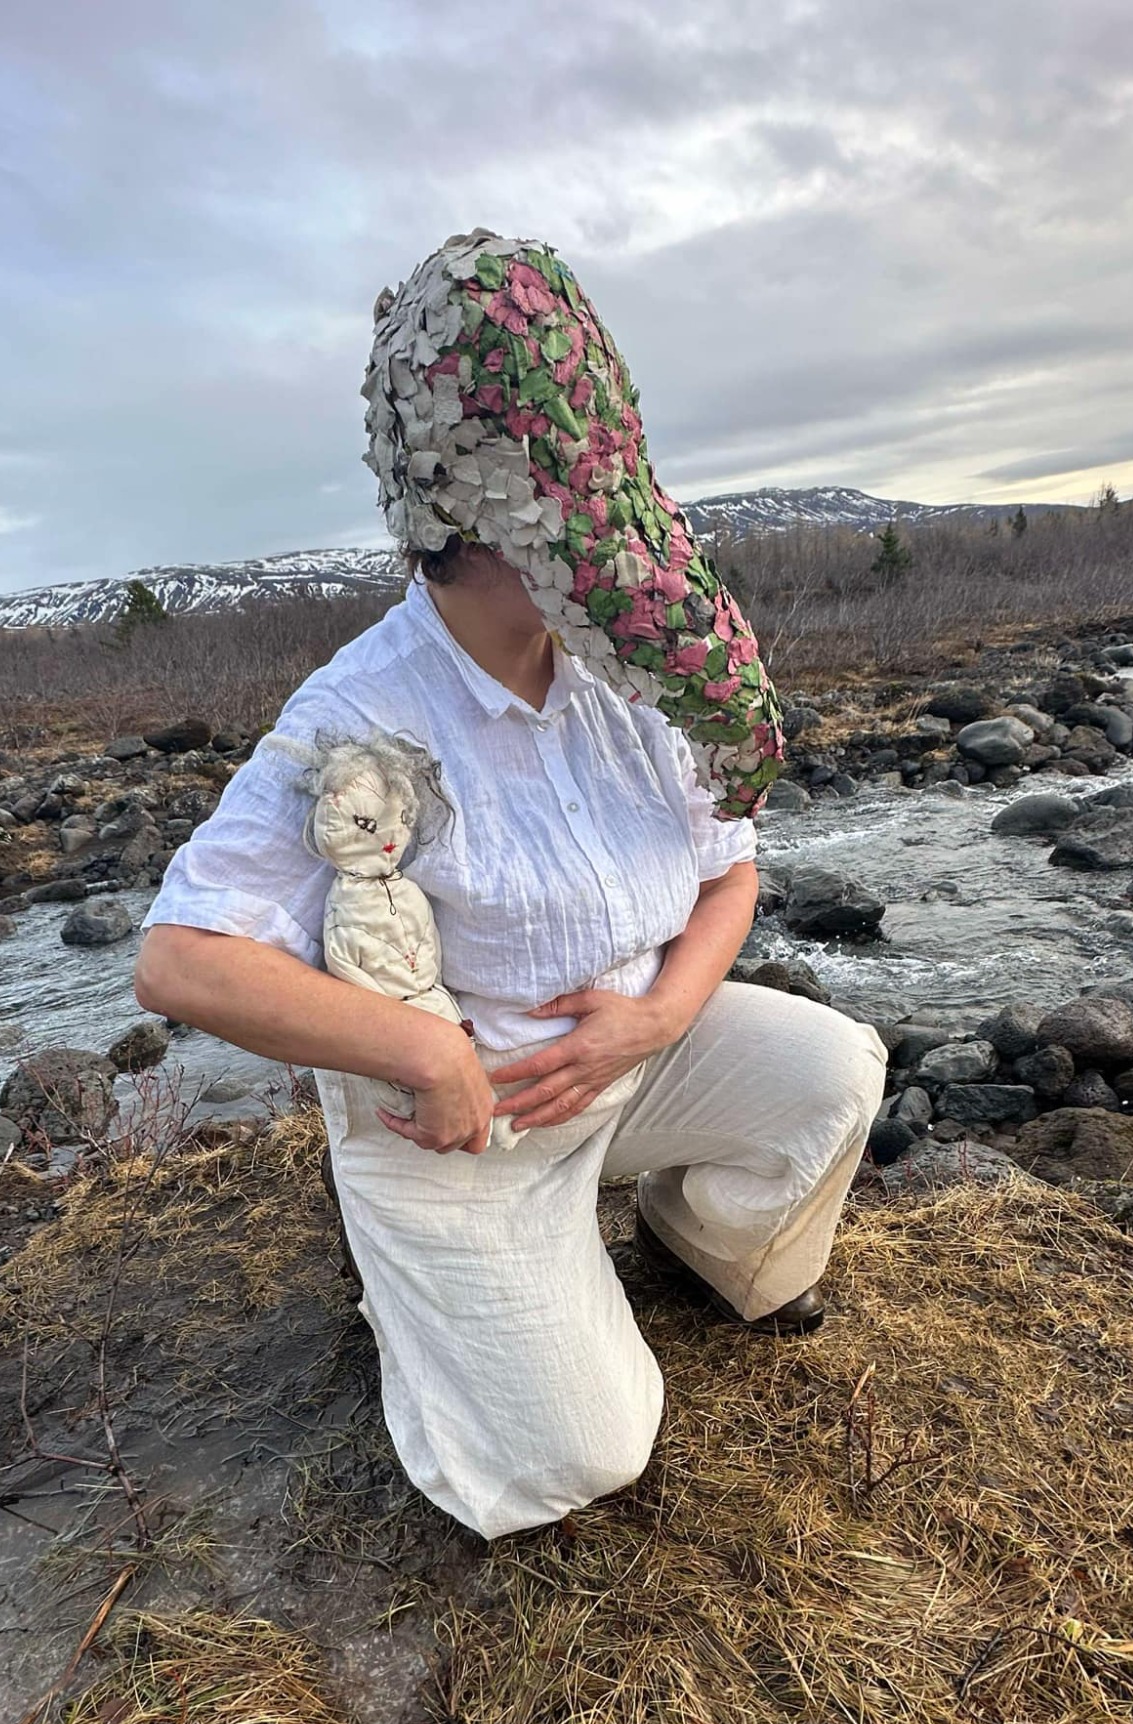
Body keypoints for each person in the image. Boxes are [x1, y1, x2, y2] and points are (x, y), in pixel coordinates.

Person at [134, 230, 887, 1540]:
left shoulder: (623, 663)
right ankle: (422, 1285)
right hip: (464, 1125)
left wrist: (658, 1018)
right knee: (582, 1454)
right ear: (465, 518)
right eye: (571, 507)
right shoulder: (361, 716)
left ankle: (692, 1246)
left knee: (835, 1074)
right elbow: (181, 959)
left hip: (632, 1059)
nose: (610, 540)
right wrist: (424, 1053)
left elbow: (730, 872)